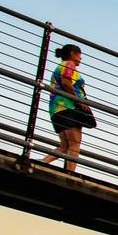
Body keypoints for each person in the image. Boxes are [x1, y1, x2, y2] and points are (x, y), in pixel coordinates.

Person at [39, 44, 94, 172]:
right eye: (79, 54)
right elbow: (66, 82)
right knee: (74, 144)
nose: (81, 58)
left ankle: (43, 162)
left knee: (65, 146)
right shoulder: (69, 64)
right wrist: (79, 101)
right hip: (68, 107)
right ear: (72, 53)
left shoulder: (61, 66)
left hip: (56, 109)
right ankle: (70, 173)